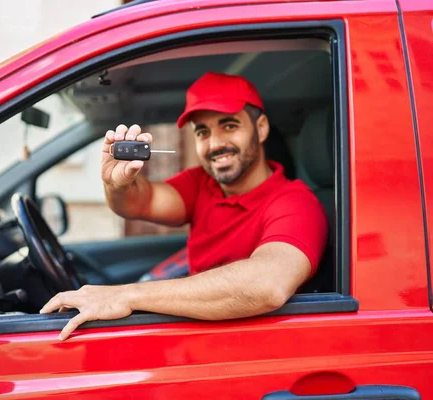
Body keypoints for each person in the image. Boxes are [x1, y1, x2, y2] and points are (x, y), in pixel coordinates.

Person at [40, 72, 328, 340]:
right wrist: (118, 184)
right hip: (194, 339)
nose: (215, 143)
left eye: (229, 125)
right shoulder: (202, 183)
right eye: (203, 132)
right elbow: (140, 202)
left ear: (261, 128)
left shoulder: (297, 203)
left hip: (251, 353)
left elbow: (267, 286)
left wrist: (125, 295)